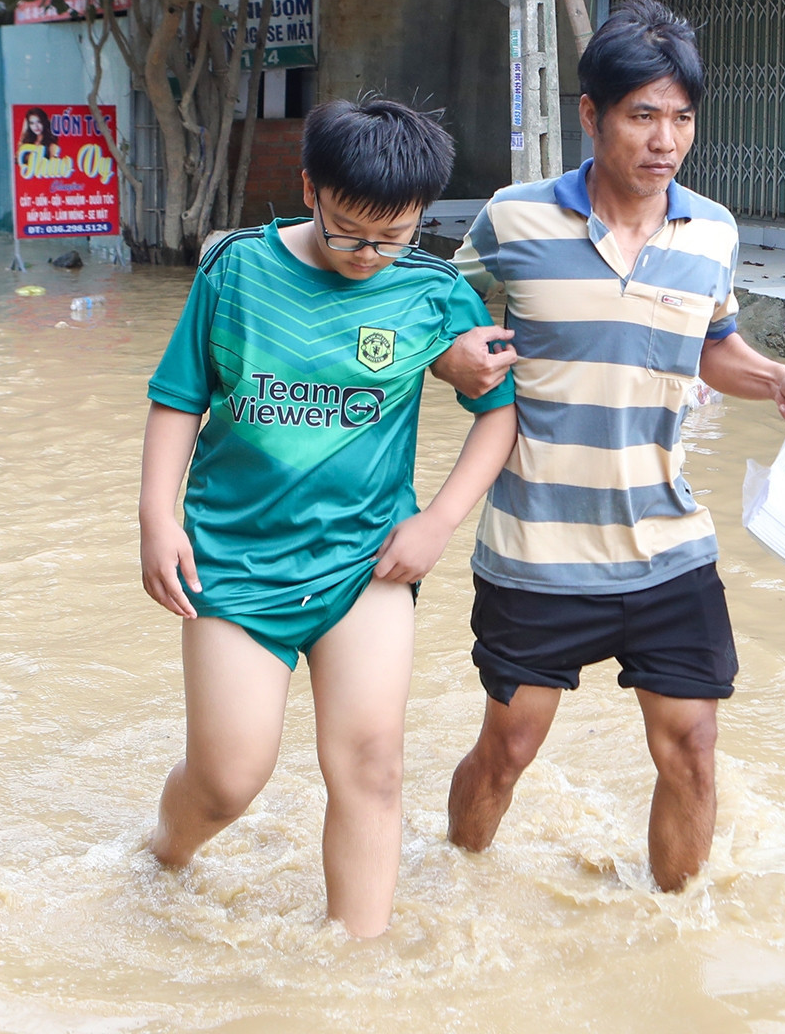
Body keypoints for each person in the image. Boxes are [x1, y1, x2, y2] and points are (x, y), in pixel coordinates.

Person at [431, 0, 785, 891]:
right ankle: (453, 885)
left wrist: (781, 382)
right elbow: (436, 321)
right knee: (509, 750)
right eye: (642, 115)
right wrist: (446, 360)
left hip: (667, 545)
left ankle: (673, 935)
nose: (665, 139)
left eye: (682, 117)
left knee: (694, 748)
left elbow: (714, 348)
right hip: (537, 551)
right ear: (591, 116)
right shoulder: (513, 221)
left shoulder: (713, 232)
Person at [138, 99, 517, 937]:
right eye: (348, 233)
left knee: (373, 768)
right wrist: (155, 519)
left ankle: (357, 968)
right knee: (229, 779)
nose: (368, 256)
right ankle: (162, 854)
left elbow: (500, 412)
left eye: (394, 237)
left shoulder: (432, 292)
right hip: (232, 563)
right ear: (310, 190)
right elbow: (178, 398)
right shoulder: (235, 270)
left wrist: (439, 521)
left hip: (366, 564)